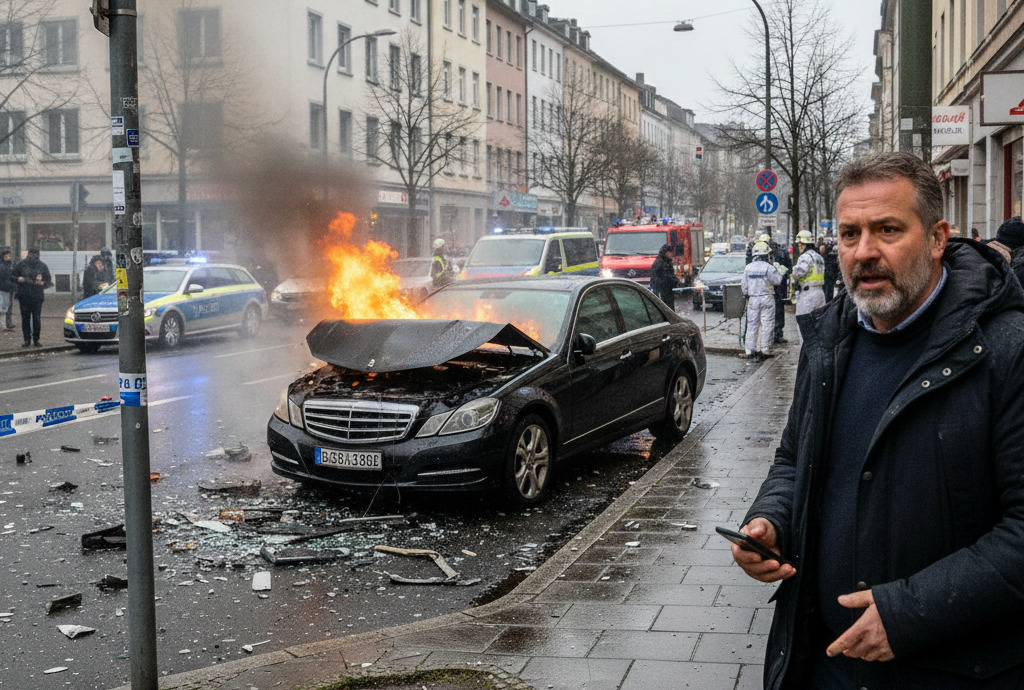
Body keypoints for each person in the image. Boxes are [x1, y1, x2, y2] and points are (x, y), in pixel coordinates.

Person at [732, 151, 1024, 689]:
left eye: (887, 230)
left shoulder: (1006, 350)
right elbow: (796, 459)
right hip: (821, 666)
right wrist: (771, 522)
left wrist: (908, 614)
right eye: (849, 234)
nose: (864, 252)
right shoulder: (829, 342)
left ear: (938, 238)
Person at [741, 240, 782, 359]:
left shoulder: (748, 268)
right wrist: (781, 272)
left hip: (753, 299)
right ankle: (765, 349)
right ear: (766, 255)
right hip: (767, 298)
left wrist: (747, 294)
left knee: (752, 324)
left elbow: (744, 285)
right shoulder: (768, 267)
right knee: (767, 324)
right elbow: (777, 281)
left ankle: (750, 349)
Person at [12, 247, 51, 347]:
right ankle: (27, 339)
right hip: (24, 295)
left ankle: (36, 339)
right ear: (28, 254)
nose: (32, 256)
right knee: (25, 318)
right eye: (31, 254)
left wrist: (43, 283)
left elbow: (49, 281)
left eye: (35, 254)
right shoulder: (21, 264)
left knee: (36, 318)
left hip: (37, 296)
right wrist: (18, 279)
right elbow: (12, 277)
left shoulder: (42, 266)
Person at [790, 230, 826, 316]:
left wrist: (792, 271)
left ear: (803, 244)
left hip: (807, 294)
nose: (799, 247)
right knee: (818, 325)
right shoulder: (819, 257)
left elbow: (798, 273)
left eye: (799, 244)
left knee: (804, 324)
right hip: (820, 293)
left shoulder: (805, 256)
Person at [650, 243, 681, 311]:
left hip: (666, 291)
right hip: (664, 292)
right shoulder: (661, 263)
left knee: (668, 309)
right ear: (665, 253)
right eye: (670, 252)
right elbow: (666, 277)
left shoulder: (665, 262)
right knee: (667, 309)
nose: (671, 254)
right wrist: (675, 281)